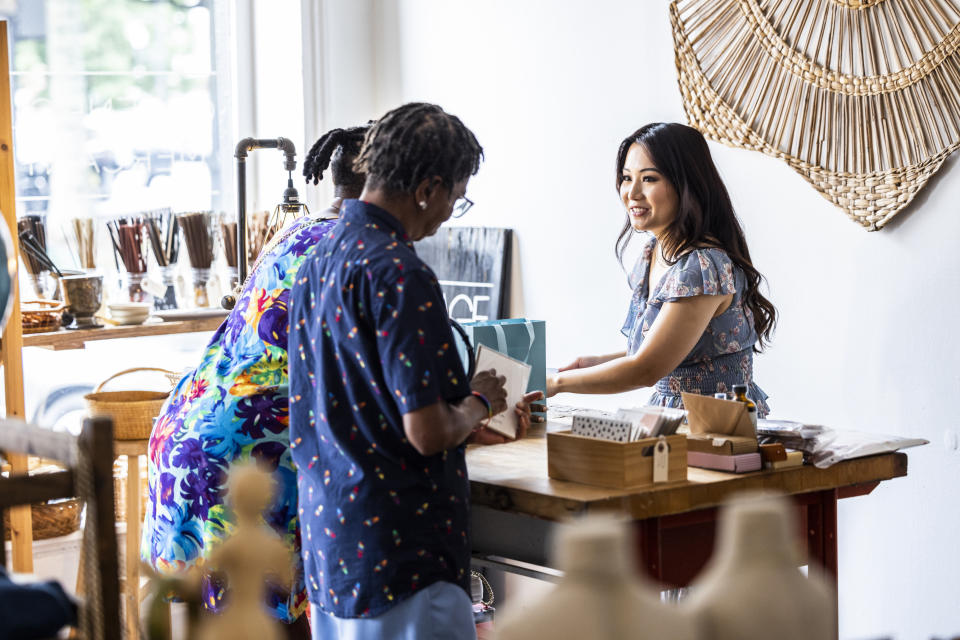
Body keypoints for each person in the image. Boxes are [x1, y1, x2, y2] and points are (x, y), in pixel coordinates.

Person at [288, 102, 542, 640]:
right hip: (402, 558)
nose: (450, 211)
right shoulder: (401, 274)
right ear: (428, 188)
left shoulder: (318, 261)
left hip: (332, 543)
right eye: (456, 195)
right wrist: (480, 400)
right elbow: (425, 433)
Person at [141, 123, 372, 637]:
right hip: (252, 454)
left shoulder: (298, 231)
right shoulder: (359, 249)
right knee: (266, 623)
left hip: (190, 435)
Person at [547, 123, 776, 414]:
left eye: (649, 178)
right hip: (675, 418)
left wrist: (556, 382)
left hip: (716, 426)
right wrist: (594, 363)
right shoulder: (653, 253)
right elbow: (669, 351)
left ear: (687, 184)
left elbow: (647, 368)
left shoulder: (703, 267)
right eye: (627, 178)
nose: (632, 192)